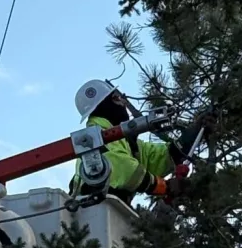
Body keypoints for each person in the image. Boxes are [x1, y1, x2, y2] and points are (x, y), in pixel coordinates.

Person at [68, 79, 205, 206]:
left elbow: (160, 158)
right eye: (117, 99)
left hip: (108, 212)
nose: (123, 104)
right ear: (104, 107)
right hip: (89, 212)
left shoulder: (127, 143)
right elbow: (125, 170)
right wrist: (164, 186)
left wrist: (194, 134)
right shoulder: (94, 139)